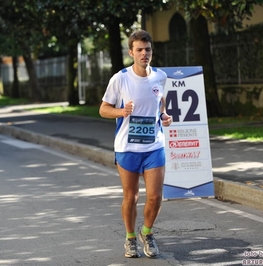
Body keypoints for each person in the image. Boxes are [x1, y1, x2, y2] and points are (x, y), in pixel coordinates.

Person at [99, 29, 172, 258]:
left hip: (154, 146)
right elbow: (103, 109)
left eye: (147, 49)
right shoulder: (120, 78)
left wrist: (164, 115)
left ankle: (146, 233)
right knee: (131, 197)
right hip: (127, 148)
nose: (144, 54)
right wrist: (122, 111)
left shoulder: (160, 76)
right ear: (131, 52)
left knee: (155, 196)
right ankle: (130, 238)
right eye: (139, 50)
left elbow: (160, 102)